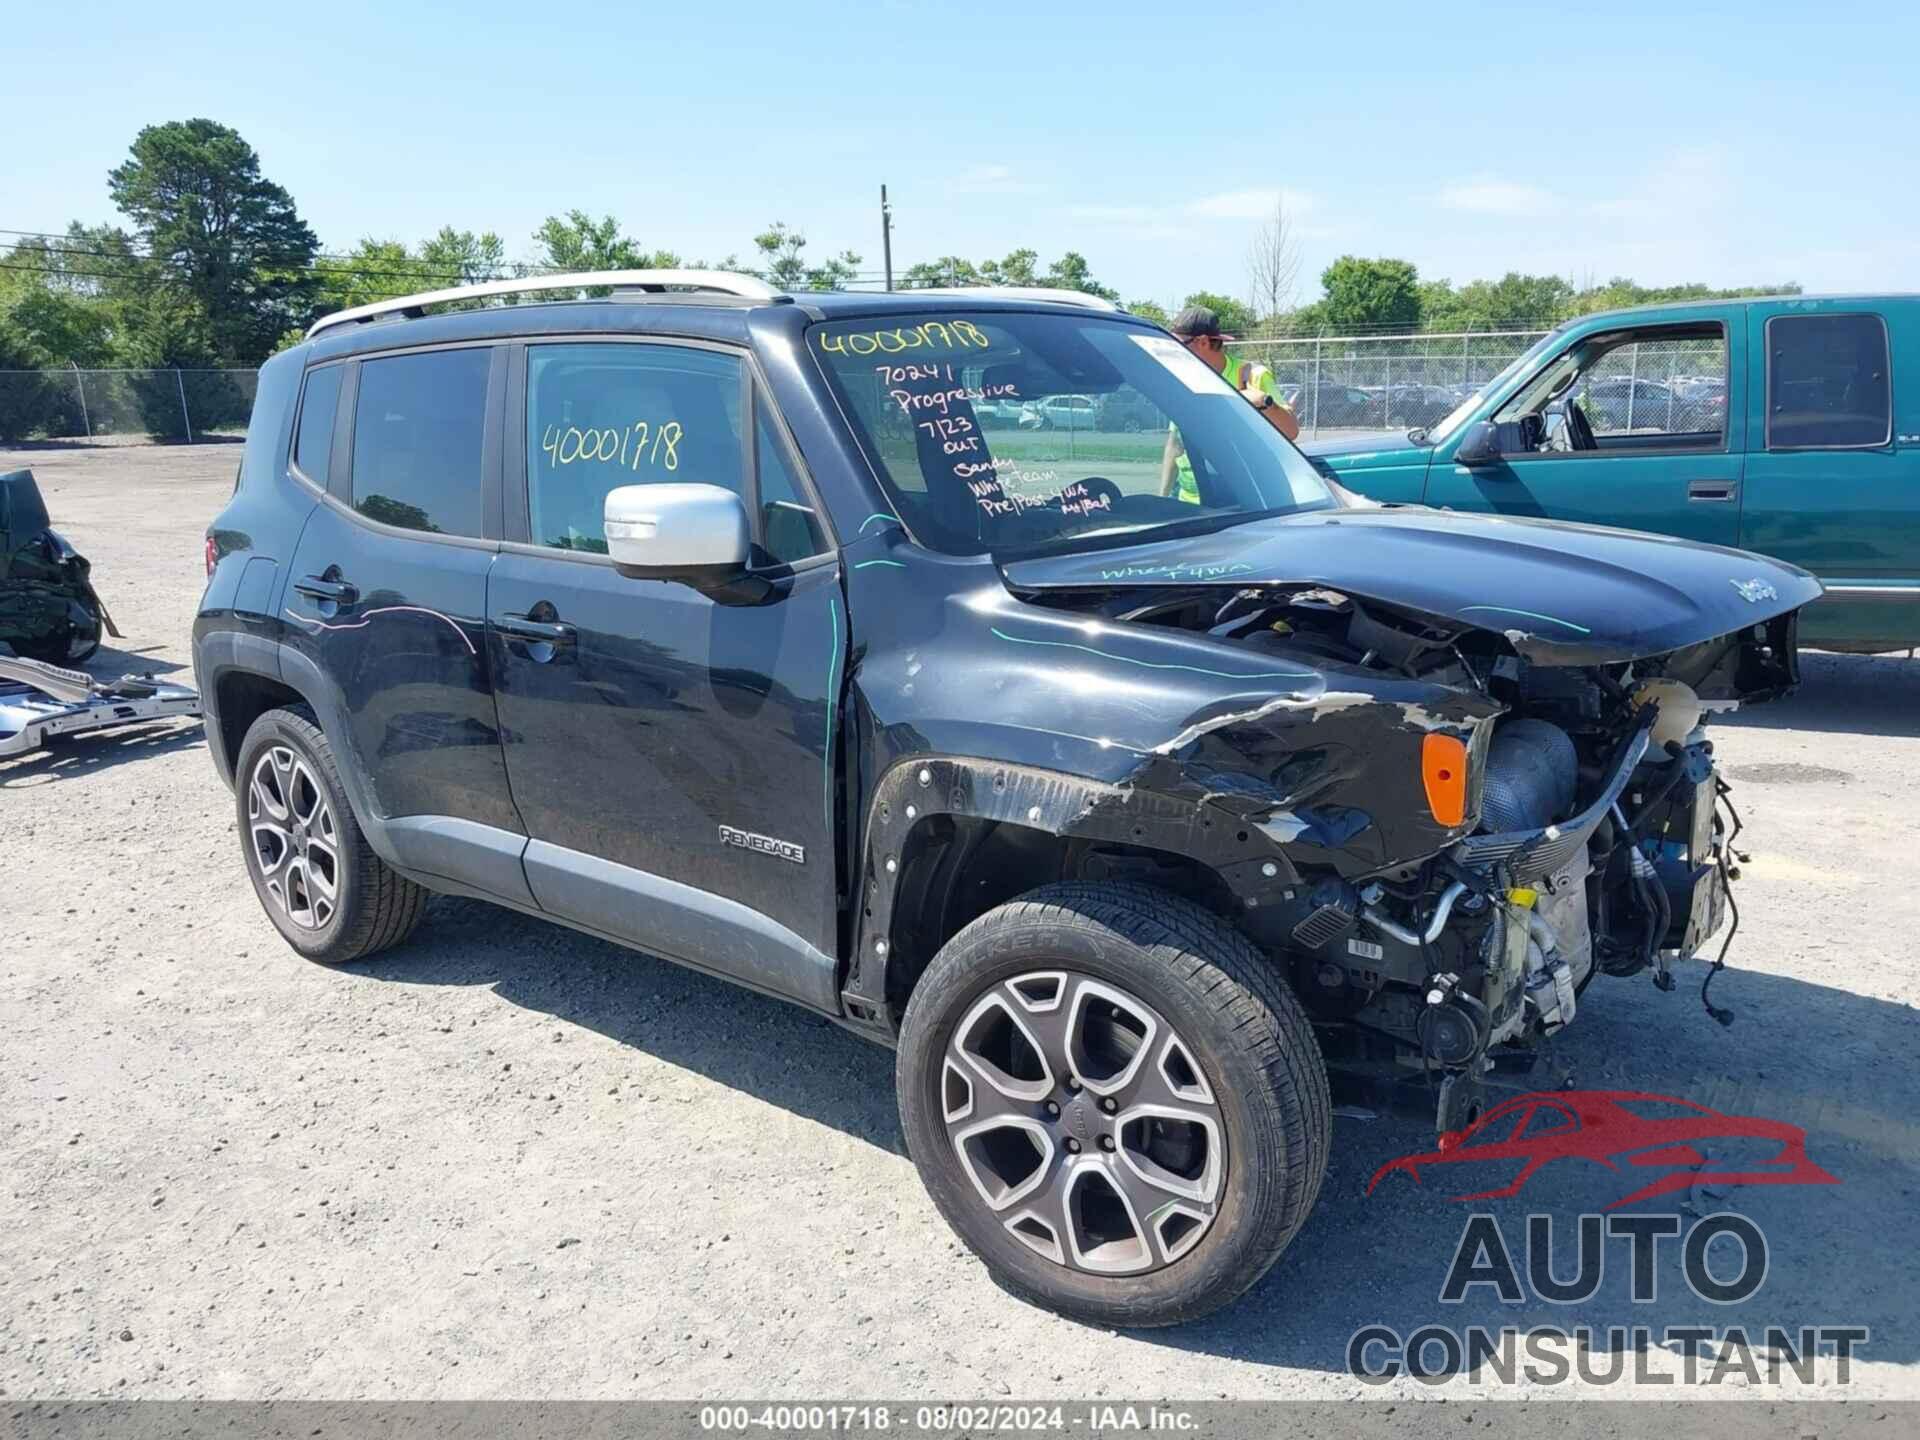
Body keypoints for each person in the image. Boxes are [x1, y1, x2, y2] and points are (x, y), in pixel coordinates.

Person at [1159, 304, 1301, 503]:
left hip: (1240, 502)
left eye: (1179, 345)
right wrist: (1163, 496)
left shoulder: (1253, 376)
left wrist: (1262, 403)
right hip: (1189, 501)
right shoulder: (1184, 380)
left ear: (1203, 342)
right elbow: (1175, 444)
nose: (1174, 352)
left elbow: (1291, 430)